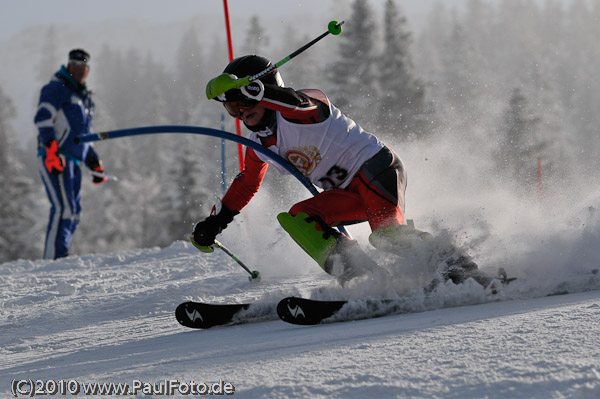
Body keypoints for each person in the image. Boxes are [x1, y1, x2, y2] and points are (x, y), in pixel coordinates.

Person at [192, 55, 477, 284]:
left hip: (375, 170)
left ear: (262, 90)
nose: (241, 112)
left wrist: (262, 94)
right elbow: (247, 184)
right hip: (346, 193)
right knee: (298, 217)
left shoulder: (306, 105)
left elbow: (296, 103)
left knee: (387, 237)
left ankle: (458, 265)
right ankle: (362, 277)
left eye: (244, 101)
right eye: (232, 108)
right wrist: (214, 223)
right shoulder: (259, 144)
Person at [35, 49, 107, 260]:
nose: (78, 70)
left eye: (83, 67)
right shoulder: (57, 88)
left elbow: (82, 137)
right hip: (55, 157)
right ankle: (51, 262)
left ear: (87, 70)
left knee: (74, 211)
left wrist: (93, 161)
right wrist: (50, 150)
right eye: (74, 65)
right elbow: (43, 118)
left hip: (74, 161)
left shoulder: (84, 99)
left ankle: (61, 256)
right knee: (62, 208)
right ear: (68, 66)